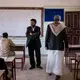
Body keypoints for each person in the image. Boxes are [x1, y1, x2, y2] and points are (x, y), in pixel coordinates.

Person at [45, 15, 68, 80]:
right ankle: (57, 74)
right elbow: (65, 38)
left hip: (51, 45)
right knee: (58, 61)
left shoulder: (49, 26)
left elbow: (47, 36)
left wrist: (46, 45)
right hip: (59, 46)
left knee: (51, 59)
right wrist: (66, 46)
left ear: (54, 19)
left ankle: (50, 71)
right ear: (59, 19)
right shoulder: (62, 27)